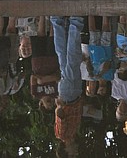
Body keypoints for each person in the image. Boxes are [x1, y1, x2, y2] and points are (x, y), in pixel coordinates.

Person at [51, 15, 84, 153]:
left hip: (70, 96)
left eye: (73, 154)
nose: (75, 152)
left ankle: (75, 22)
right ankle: (57, 22)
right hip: (69, 94)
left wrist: (60, 106)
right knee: (63, 56)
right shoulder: (70, 134)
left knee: (72, 58)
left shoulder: (63, 134)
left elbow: (60, 116)